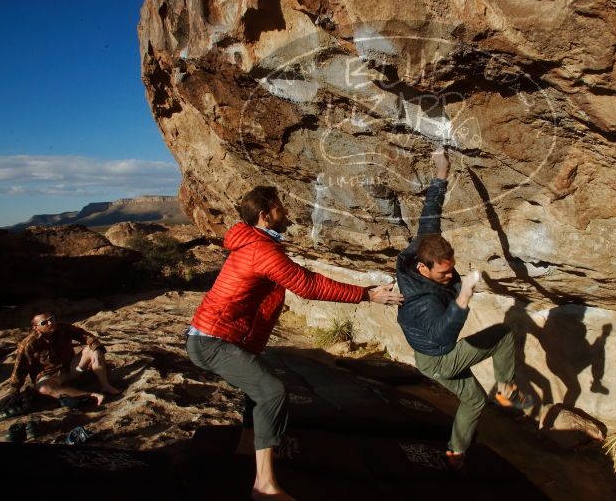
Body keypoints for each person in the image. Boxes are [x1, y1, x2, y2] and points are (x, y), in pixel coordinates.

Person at [186, 185, 403, 501]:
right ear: (265, 215)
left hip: (218, 336)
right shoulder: (261, 250)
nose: (284, 212)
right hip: (213, 340)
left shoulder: (255, 243)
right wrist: (366, 294)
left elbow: (297, 278)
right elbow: (308, 285)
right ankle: (264, 486)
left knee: (256, 387)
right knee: (272, 391)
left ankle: (248, 445)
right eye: (279, 207)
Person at [396, 148, 530, 469]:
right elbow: (445, 335)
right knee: (503, 336)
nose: (448, 276)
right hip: (439, 354)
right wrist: (464, 294)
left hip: (428, 356)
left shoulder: (423, 247)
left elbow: (430, 212)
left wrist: (440, 173)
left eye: (450, 270)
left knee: (473, 400)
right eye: (443, 273)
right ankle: (507, 390)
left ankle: (455, 453)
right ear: (423, 270)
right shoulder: (423, 299)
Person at [5, 312, 120, 407]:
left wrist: (95, 346)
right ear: (36, 327)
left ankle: (105, 385)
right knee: (43, 388)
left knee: (94, 349)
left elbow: (86, 336)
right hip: (50, 376)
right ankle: (90, 395)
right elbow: (20, 369)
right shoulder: (29, 344)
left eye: (52, 319)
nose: (50, 323)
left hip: (71, 368)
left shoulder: (63, 328)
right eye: (44, 323)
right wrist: (14, 392)